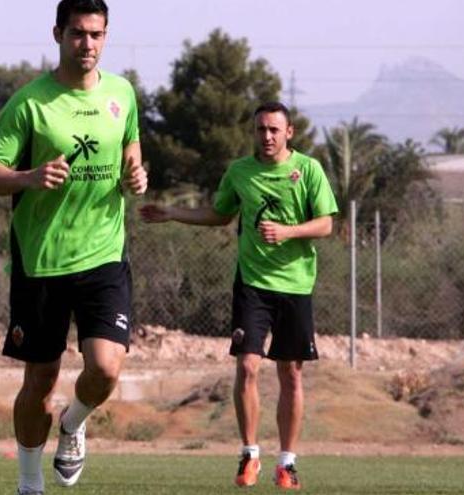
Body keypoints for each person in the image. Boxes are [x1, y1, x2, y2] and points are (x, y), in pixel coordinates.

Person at [0, 0, 147, 493]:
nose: (87, 44)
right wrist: (29, 176)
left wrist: (136, 173)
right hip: (42, 261)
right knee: (39, 383)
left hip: (104, 254)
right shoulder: (30, 103)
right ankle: (30, 483)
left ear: (106, 37)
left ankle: (73, 423)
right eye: (77, 34)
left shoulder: (123, 93)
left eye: (96, 34)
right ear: (57, 34)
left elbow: (131, 144)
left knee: (106, 368)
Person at [140, 102, 337, 490]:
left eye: (274, 130)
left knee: (291, 374)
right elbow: (219, 214)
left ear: (289, 133)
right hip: (252, 285)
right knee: (247, 366)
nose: (266, 137)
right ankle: (249, 455)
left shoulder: (309, 170)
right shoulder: (239, 172)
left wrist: (287, 232)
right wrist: (172, 213)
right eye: (261, 129)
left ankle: (287, 463)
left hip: (296, 286)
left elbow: (327, 223)